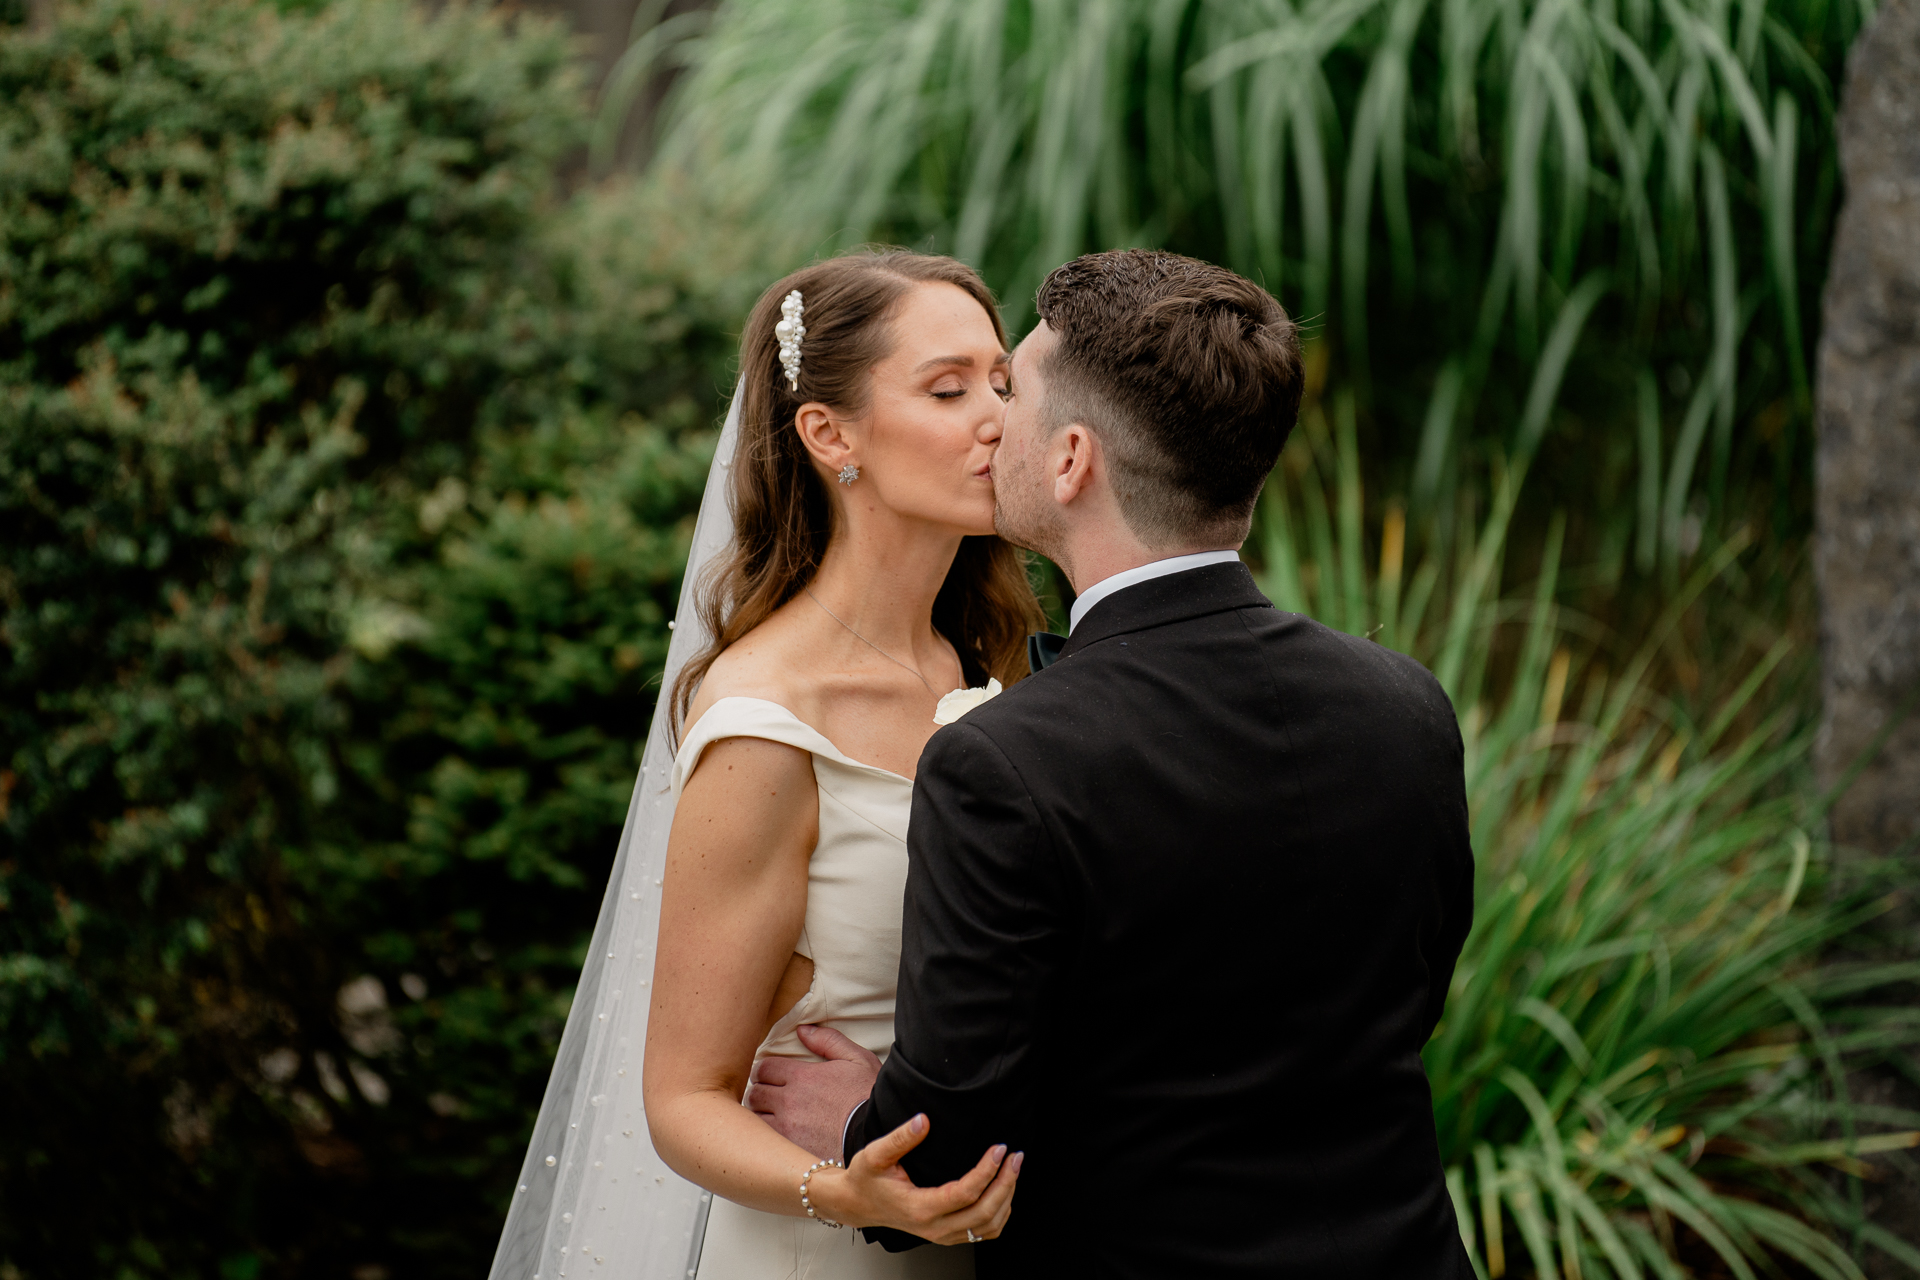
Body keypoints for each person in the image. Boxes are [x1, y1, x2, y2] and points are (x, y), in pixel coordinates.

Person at [752, 250, 1478, 1278]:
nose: (993, 420)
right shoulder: (1408, 706)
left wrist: (868, 1120)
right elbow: (1399, 1008)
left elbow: (950, 1152)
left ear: (1071, 461)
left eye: (1015, 392)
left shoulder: (1002, 764)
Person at [652, 249, 1048, 1280]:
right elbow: (683, 1097)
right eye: (948, 388)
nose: (997, 417)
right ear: (830, 434)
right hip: (824, 1249)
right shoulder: (768, 725)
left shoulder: (998, 666)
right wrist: (848, 1191)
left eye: (1005, 382)